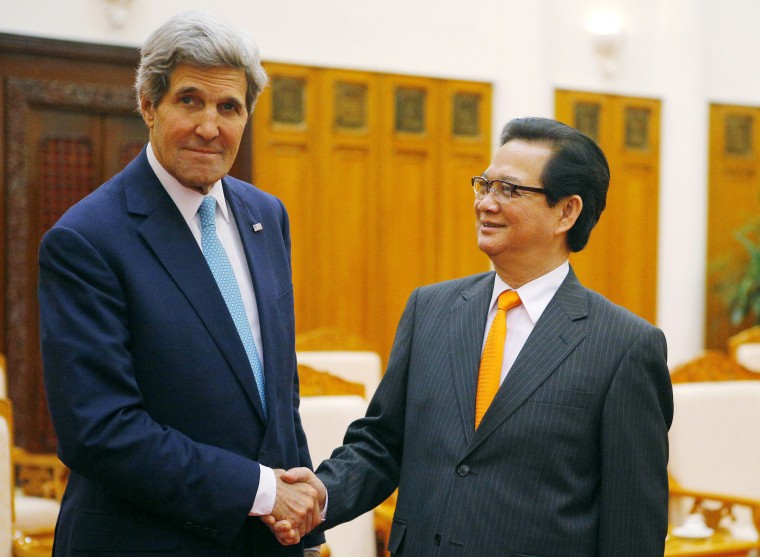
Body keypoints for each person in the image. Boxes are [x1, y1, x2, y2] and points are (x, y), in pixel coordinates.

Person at [272, 117, 674, 556]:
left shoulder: (624, 346)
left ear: (566, 212)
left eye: (509, 189)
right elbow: (383, 444)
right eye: (485, 185)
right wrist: (319, 495)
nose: (486, 203)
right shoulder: (430, 309)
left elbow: (633, 527)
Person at [38, 11, 324, 557]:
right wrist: (263, 492)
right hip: (142, 540)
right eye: (189, 100)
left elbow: (276, 392)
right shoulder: (86, 239)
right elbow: (101, 432)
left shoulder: (267, 216)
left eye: (229, 107)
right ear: (148, 105)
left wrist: (301, 525)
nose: (210, 127)